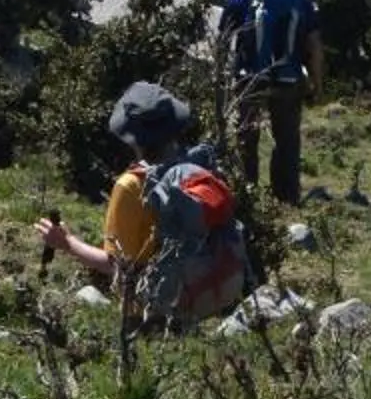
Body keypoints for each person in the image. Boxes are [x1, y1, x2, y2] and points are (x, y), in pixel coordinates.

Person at [34, 82, 251, 328]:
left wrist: (66, 243)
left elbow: (116, 267)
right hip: (212, 286)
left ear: (131, 138)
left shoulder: (130, 186)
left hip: (156, 308)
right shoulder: (197, 165)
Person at [219, 0, 319, 203]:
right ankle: (285, 198)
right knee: (286, 140)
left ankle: (246, 194)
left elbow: (223, 38)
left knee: (246, 139)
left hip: (249, 79)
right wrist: (316, 83)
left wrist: (222, 80)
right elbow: (314, 44)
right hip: (288, 78)